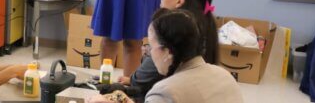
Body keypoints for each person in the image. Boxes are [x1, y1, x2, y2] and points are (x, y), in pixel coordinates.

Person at [89, 9, 242, 103]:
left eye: (151, 47)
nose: (147, 52)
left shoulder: (166, 91)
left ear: (167, 52)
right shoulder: (224, 75)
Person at [116, 0, 220, 99]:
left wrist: (136, 75)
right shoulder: (205, 26)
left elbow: (142, 79)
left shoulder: (174, 31)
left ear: (179, 0)